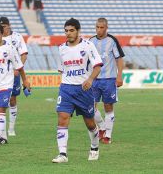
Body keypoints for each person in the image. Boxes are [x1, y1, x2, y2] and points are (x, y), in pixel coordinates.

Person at [52, 18, 103, 163]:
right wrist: (64, 84)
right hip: (66, 89)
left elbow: (98, 66)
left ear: (78, 31)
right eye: (66, 31)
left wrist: (90, 80)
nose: (68, 33)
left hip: (83, 89)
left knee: (90, 123)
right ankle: (63, 154)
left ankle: (94, 147)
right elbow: (61, 69)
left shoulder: (88, 46)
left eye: (71, 30)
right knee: (62, 118)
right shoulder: (61, 48)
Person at [0, 23, 30, 146]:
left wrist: (25, 80)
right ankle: (4, 137)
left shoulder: (10, 49)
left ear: (2, 34)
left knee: (1, 108)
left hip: (6, 85)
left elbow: (19, 66)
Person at [89, 18, 124, 144]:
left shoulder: (112, 41)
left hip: (109, 79)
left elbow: (119, 59)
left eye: (101, 27)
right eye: (97, 27)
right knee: (90, 107)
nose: (99, 30)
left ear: (106, 27)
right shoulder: (90, 41)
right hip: (94, 79)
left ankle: (107, 135)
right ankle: (103, 127)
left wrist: (119, 76)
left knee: (108, 106)